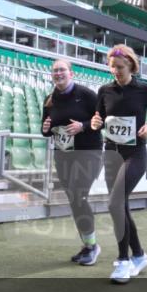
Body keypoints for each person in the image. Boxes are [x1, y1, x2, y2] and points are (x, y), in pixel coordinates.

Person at [90, 44, 147, 284]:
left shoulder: (144, 90)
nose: (116, 71)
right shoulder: (104, 90)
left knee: (114, 203)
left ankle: (123, 261)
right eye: (112, 67)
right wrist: (95, 123)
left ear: (131, 65)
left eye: (120, 67)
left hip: (135, 154)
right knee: (120, 206)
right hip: (111, 154)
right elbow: (99, 118)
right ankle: (140, 256)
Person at [41, 58, 104, 265]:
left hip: (88, 153)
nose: (58, 73)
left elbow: (101, 120)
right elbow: (46, 129)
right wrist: (45, 129)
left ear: (71, 73)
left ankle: (93, 247)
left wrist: (83, 126)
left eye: (62, 70)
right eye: (55, 71)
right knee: (75, 201)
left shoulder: (85, 95)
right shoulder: (49, 100)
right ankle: (88, 245)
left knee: (79, 197)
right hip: (63, 156)